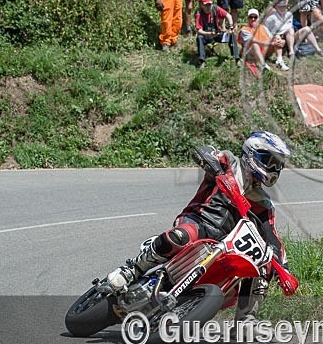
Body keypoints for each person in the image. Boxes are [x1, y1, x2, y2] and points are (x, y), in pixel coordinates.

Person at [107, 131, 293, 325]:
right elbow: (204, 152)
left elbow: (273, 238)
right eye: (269, 161)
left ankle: (245, 320)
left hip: (225, 246)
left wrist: (285, 271)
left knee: (263, 264)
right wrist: (219, 171)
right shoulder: (229, 163)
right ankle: (132, 269)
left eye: (278, 165)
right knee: (182, 236)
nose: (274, 168)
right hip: (199, 222)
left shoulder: (263, 202)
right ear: (252, 154)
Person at [264, 0, 323, 70]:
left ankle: (317, 50)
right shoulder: (271, 18)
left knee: (305, 29)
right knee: (279, 35)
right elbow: (265, 31)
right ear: (276, 7)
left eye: (284, 6)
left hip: (290, 39)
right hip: (278, 40)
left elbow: (290, 29)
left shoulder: (289, 15)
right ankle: (280, 59)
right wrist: (275, 39)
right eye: (280, 6)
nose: (283, 8)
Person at [195, 0, 238, 68]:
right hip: (206, 35)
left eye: (210, 4)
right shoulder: (199, 13)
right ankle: (202, 61)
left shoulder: (215, 8)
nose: (209, 7)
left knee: (232, 35)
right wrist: (209, 34)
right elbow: (199, 31)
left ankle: (235, 58)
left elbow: (228, 15)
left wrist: (230, 27)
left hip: (218, 34)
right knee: (199, 38)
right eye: (206, 5)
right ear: (202, 5)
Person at [238, 8, 282, 72]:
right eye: (251, 17)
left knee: (277, 37)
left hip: (263, 52)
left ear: (258, 18)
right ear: (248, 18)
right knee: (255, 45)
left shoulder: (263, 27)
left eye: (255, 17)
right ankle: (263, 65)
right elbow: (254, 41)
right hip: (249, 55)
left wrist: (280, 41)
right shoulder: (244, 30)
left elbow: (272, 38)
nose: (253, 19)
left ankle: (280, 60)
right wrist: (272, 44)